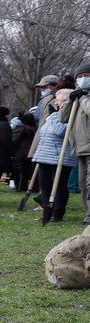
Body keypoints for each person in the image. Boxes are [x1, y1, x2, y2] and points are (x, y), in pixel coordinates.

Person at [34, 88, 77, 223]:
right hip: (45, 156)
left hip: (61, 158)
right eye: (59, 100)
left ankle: (57, 213)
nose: (60, 103)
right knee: (45, 185)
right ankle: (48, 210)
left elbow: (61, 131)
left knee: (59, 186)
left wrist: (52, 117)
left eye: (64, 101)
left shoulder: (71, 115)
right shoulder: (53, 116)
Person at [58, 61, 90, 224]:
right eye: (80, 76)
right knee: (83, 184)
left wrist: (83, 98)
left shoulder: (85, 97)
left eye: (87, 76)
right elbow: (62, 118)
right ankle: (88, 213)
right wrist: (70, 100)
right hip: (79, 148)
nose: (83, 79)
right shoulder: (77, 96)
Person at [13, 111, 38, 192]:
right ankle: (34, 187)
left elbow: (15, 140)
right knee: (34, 171)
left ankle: (22, 187)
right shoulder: (36, 129)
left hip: (23, 153)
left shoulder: (22, 129)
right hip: (34, 152)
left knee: (23, 172)